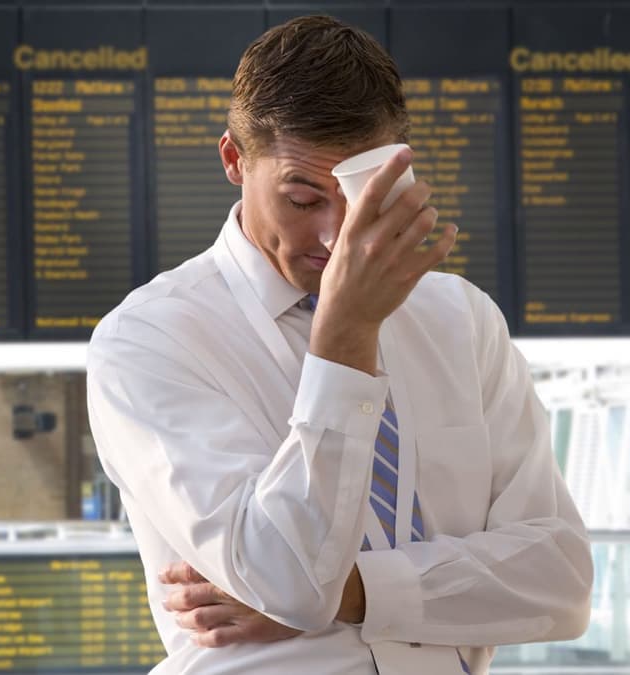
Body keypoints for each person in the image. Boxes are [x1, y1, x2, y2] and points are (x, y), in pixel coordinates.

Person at [86, 15, 593, 675]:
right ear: (234, 160)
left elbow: (560, 582)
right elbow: (288, 575)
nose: (335, 235)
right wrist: (346, 338)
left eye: (360, 195)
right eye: (302, 199)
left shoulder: (460, 320)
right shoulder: (150, 340)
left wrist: (351, 592)